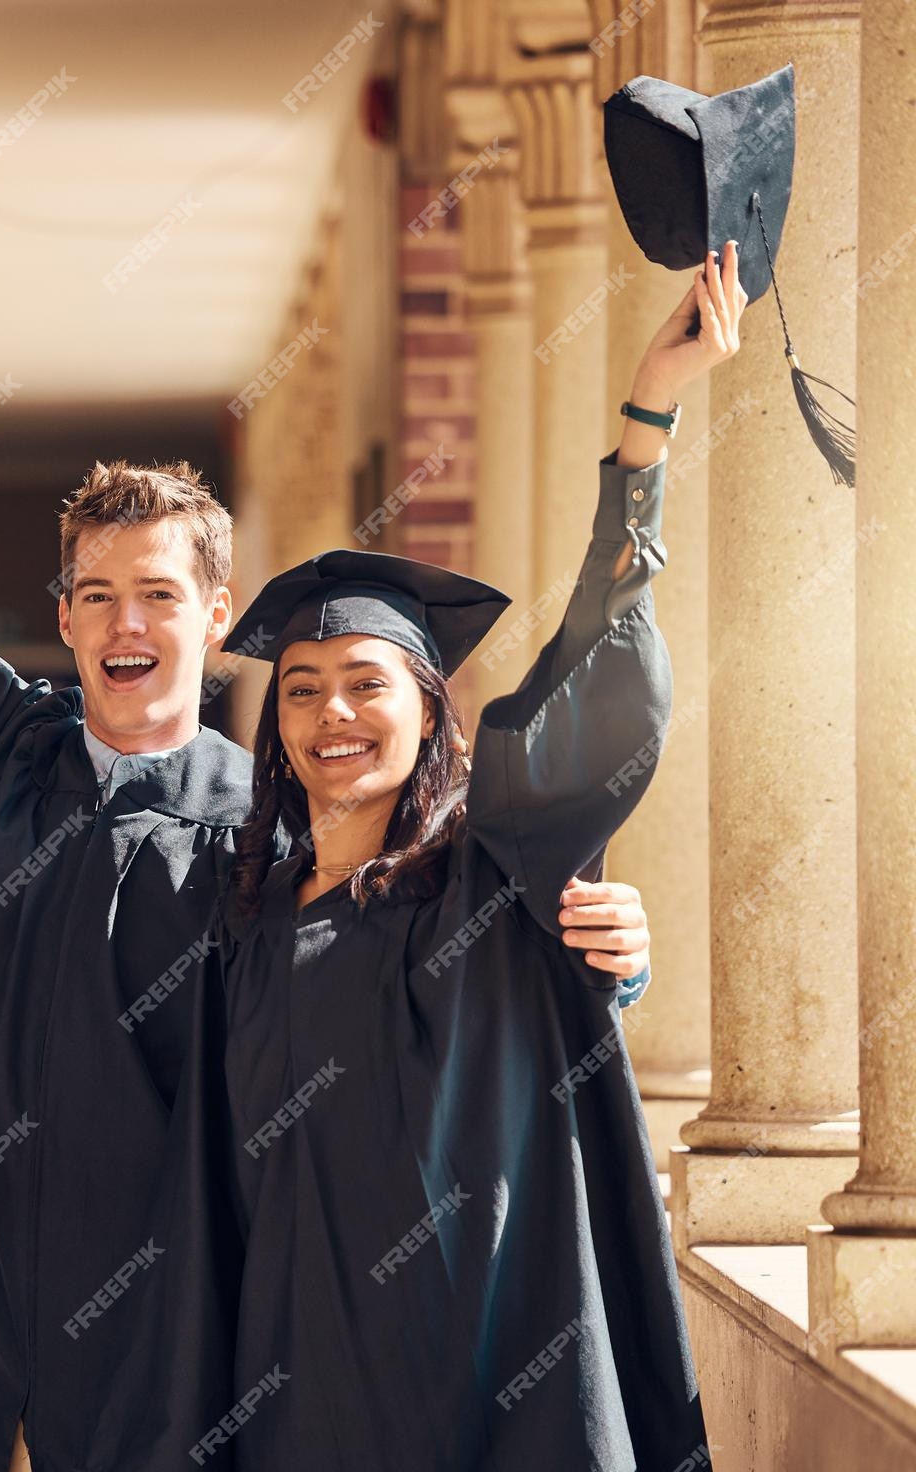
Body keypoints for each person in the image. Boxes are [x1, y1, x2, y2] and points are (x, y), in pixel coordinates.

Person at [0, 159, 658, 1470]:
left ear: (219, 621)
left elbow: (437, 985)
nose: (125, 624)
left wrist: (604, 960)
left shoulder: (277, 846)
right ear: (62, 619)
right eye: (95, 595)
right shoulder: (0, 765)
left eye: (159, 594)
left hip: (184, 1346)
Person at [202, 244, 746, 1471]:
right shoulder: (236, 915)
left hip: (492, 1356)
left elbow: (596, 675)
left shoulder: (487, 877)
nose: (330, 712)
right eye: (300, 690)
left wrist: (647, 415)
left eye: (363, 683)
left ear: (430, 706)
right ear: (274, 727)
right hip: (294, 1376)